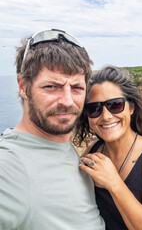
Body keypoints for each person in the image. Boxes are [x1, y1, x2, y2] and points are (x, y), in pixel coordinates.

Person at [0, 29, 105, 230]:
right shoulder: (9, 168)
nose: (67, 101)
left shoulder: (56, 145)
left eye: (76, 88)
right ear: (23, 86)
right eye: (51, 87)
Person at [73, 66, 142, 230]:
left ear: (131, 107)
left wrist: (113, 183)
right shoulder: (93, 150)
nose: (106, 116)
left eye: (115, 105)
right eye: (94, 109)